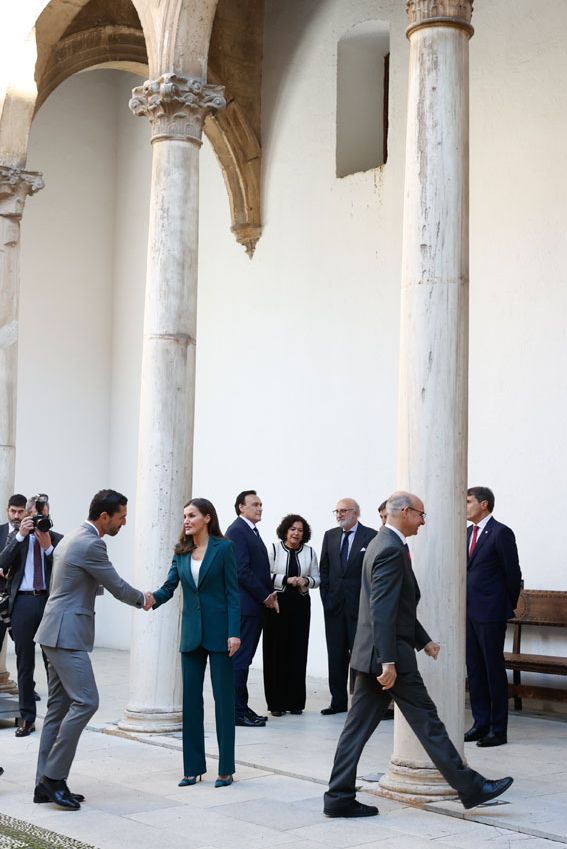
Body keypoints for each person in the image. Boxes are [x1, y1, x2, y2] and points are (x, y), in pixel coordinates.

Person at [323, 491, 514, 818]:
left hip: (374, 655)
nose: (424, 522)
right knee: (428, 722)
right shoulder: (390, 549)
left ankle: (338, 795)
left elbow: (397, 605)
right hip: (389, 657)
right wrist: (388, 661)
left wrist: (423, 639)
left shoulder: (382, 543)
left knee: (356, 730)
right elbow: (381, 609)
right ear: (406, 513)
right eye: (421, 515)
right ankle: (470, 786)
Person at [34, 489, 147, 811]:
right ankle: (54, 778)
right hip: (65, 634)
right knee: (87, 701)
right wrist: (144, 599)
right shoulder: (91, 542)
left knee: (58, 708)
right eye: (121, 516)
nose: (124, 522)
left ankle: (44, 782)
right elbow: (116, 586)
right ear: (104, 516)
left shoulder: (73, 536)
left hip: (55, 631)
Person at [146, 498, 240, 788]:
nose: (186, 520)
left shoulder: (223, 548)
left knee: (223, 702)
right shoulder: (181, 552)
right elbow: (169, 587)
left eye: (192, 515)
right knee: (191, 702)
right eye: (184, 516)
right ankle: (193, 768)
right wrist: (148, 599)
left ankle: (226, 769)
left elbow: (233, 594)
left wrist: (234, 632)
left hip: (221, 633)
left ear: (207, 518)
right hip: (191, 635)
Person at [0, 494, 62, 737]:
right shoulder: (19, 539)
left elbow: (64, 569)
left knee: (53, 663)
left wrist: (47, 547)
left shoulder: (56, 539)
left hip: (49, 602)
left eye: (42, 516)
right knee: (25, 664)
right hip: (23, 602)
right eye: (33, 515)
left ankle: (55, 718)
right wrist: (21, 535)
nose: (38, 520)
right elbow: (3, 562)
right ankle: (27, 718)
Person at [465, 486, 522, 748]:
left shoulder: (500, 533)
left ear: (484, 504)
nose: (464, 506)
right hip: (468, 612)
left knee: (492, 670)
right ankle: (480, 723)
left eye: (468, 501)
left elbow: (513, 574)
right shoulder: (466, 533)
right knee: (475, 670)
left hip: (490, 614)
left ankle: (498, 729)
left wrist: (503, 606)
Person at [226, 490, 278, 727]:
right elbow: (241, 571)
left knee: (243, 661)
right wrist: (265, 595)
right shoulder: (238, 530)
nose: (260, 508)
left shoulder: (250, 531)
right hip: (246, 607)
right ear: (241, 508)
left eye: (261, 504)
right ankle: (235, 711)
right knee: (240, 660)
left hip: (252, 606)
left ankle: (241, 707)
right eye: (255, 504)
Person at [319, 498, 376, 715]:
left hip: (359, 608)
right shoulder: (330, 536)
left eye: (344, 511)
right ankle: (338, 701)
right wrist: (326, 597)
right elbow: (325, 569)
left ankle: (362, 702)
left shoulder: (370, 536)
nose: (339, 514)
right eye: (337, 511)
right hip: (334, 607)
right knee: (335, 654)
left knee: (361, 656)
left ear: (356, 513)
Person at [263, 514, 320, 716]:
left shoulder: (310, 552)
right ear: (286, 531)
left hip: (300, 605)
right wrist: (286, 579)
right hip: (276, 605)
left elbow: (317, 578)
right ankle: (276, 704)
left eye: (300, 530)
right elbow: (265, 574)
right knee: (276, 652)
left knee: (297, 651)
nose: (296, 533)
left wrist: (305, 580)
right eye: (293, 529)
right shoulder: (273, 549)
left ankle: (295, 702)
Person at [0, 493, 27, 656]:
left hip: (20, 601)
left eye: (20, 511)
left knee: (23, 650)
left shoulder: (33, 534)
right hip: (0, 598)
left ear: (26, 513)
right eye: (13, 511)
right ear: (7, 510)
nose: (16, 516)